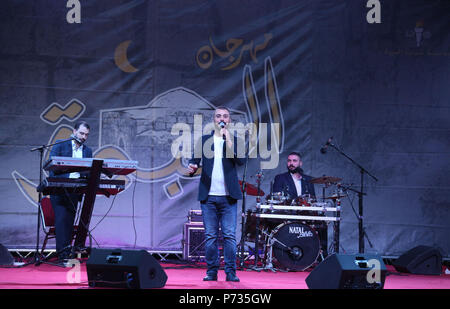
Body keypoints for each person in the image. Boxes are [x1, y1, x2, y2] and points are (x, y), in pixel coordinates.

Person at [187, 106, 244, 282]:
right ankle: (211, 271)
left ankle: (230, 272)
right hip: (209, 196)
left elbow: (240, 161)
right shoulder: (204, 140)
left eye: (225, 116)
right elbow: (193, 162)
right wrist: (192, 167)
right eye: (218, 116)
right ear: (214, 119)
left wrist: (228, 141)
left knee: (229, 235)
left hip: (228, 197)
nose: (222, 118)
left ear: (229, 121)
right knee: (210, 236)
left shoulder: (235, 140)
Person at [49, 121, 92, 262]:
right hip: (60, 191)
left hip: (75, 191)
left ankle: (66, 253)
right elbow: (52, 168)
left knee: (69, 222)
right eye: (81, 133)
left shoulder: (87, 151)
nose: (84, 137)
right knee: (61, 221)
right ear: (74, 131)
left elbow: (88, 171)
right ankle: (62, 255)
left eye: (86, 134)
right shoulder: (60, 144)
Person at [272, 152, 328, 257]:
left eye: (294, 161)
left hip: (305, 213)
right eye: (289, 161)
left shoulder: (308, 180)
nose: (291, 163)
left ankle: (322, 254)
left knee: (322, 221)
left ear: (300, 163)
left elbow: (313, 199)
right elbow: (276, 197)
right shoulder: (280, 178)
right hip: (287, 213)